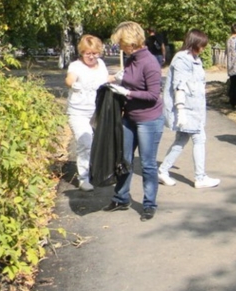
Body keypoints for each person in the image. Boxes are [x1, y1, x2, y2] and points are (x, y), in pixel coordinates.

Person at [104, 21, 165, 222]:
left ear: (131, 41)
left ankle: (149, 204)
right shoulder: (131, 59)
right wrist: (118, 81)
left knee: (147, 164)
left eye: (121, 42)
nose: (119, 46)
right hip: (129, 117)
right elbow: (129, 79)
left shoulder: (150, 63)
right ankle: (121, 198)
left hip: (149, 119)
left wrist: (128, 92)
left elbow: (153, 95)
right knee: (124, 159)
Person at [157, 29, 220, 189]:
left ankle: (163, 170)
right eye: (202, 45)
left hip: (194, 108)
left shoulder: (194, 59)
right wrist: (181, 110)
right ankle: (200, 177)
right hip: (187, 109)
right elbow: (179, 85)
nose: (204, 48)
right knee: (199, 139)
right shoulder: (182, 59)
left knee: (181, 140)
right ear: (194, 43)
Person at [65, 35, 110, 192]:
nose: (91, 57)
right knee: (85, 142)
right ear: (81, 52)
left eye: (95, 53)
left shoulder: (102, 64)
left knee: (99, 143)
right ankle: (83, 177)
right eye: (87, 53)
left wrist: (119, 78)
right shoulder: (76, 66)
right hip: (78, 112)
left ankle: (97, 171)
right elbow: (69, 80)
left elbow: (106, 80)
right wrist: (73, 84)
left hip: (98, 111)